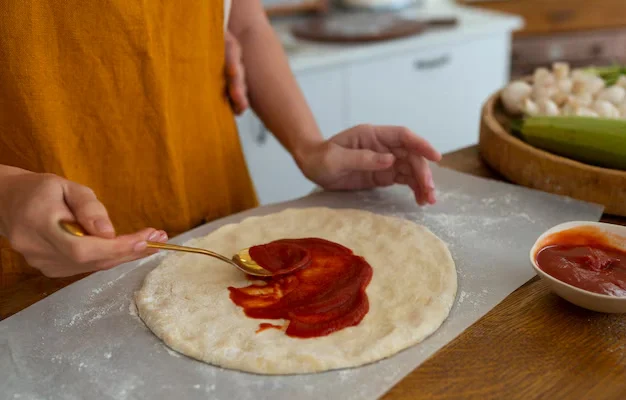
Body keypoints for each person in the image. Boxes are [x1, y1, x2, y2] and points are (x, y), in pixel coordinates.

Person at [0, 0, 441, 288]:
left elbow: (242, 19)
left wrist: (310, 147)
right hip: (46, 252)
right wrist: (5, 194)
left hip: (217, 212)